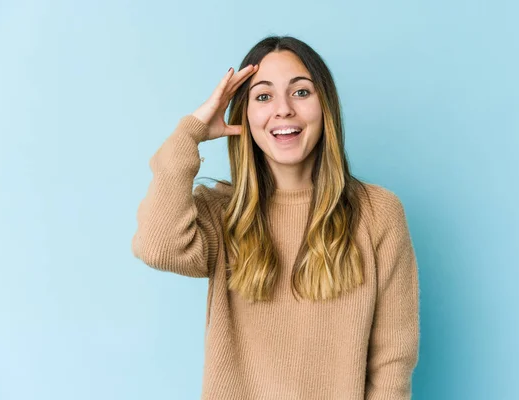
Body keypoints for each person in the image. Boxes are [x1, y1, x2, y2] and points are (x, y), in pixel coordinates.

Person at [132, 35, 420, 400]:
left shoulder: (378, 213)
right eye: (263, 96)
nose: (282, 109)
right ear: (245, 116)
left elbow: (392, 361)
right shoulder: (223, 212)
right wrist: (190, 132)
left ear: (325, 107)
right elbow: (159, 248)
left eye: (301, 92)